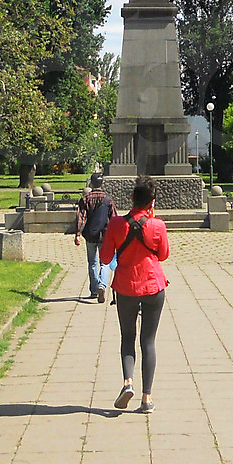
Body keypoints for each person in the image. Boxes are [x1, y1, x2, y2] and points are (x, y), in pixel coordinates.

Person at [100, 175, 170, 414]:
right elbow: (163, 255)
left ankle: (127, 382)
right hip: (153, 286)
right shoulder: (158, 225)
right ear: (152, 201)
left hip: (126, 287)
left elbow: (105, 258)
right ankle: (147, 399)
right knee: (148, 341)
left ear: (131, 197)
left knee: (127, 337)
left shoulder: (116, 224)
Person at [74, 173, 116, 303]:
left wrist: (78, 234)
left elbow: (81, 217)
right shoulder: (108, 199)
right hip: (105, 235)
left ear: (91, 184)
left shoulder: (85, 199)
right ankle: (102, 285)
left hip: (90, 235)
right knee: (105, 262)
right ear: (102, 184)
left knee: (92, 263)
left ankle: (94, 290)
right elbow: (114, 218)